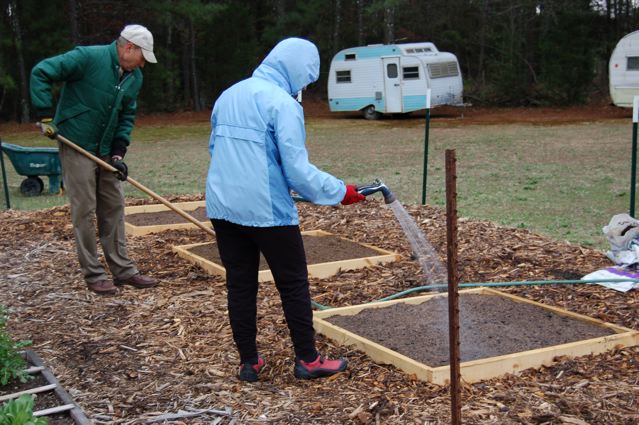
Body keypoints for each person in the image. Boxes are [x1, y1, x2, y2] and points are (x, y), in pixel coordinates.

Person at [205, 37, 366, 382]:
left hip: (222, 205)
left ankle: (250, 362)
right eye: (307, 77)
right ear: (296, 70)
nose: (305, 85)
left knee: (240, 284)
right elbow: (297, 171)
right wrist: (341, 191)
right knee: (293, 284)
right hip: (266, 210)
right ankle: (308, 360)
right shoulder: (282, 104)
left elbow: (215, 147)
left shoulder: (229, 94)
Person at [30, 24, 159, 295]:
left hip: (105, 148)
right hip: (76, 142)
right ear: (128, 48)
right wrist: (44, 114)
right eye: (142, 57)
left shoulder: (134, 77)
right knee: (85, 210)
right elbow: (41, 72)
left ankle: (123, 270)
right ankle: (94, 274)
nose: (143, 65)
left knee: (113, 206)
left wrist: (118, 153)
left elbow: (127, 116)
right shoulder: (87, 57)